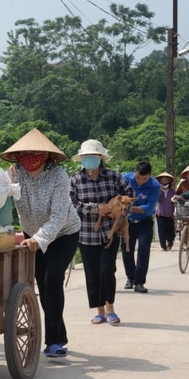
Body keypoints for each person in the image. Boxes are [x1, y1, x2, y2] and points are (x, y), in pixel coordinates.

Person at [1, 128, 81, 357]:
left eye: (35, 153)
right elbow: (3, 197)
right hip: (30, 233)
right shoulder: (15, 174)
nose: (30, 157)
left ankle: (55, 341)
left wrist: (40, 239)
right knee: (43, 287)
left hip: (63, 233)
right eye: (25, 153)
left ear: (47, 155)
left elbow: (59, 216)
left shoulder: (59, 176)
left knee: (53, 278)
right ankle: (56, 333)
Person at [69, 139, 134, 325]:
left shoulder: (114, 177)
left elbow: (129, 196)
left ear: (100, 158)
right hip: (86, 234)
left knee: (107, 270)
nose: (89, 160)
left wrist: (121, 212)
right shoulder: (74, 180)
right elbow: (71, 204)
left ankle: (110, 308)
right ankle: (99, 311)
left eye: (92, 156)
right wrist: (94, 208)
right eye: (85, 157)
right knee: (92, 273)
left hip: (110, 232)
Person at [120, 161, 160, 293]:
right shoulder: (125, 178)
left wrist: (129, 207)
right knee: (127, 250)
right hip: (127, 222)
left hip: (145, 222)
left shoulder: (154, 185)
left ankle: (139, 282)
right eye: (138, 177)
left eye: (144, 178)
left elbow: (148, 209)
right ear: (134, 171)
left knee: (143, 250)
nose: (141, 181)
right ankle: (130, 278)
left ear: (150, 176)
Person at [155, 171, 176, 251]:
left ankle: (170, 242)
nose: (164, 182)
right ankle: (163, 246)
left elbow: (174, 202)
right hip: (160, 213)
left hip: (170, 214)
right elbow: (157, 199)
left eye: (166, 181)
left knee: (170, 231)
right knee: (161, 230)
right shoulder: (158, 191)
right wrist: (159, 191)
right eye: (162, 181)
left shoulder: (173, 191)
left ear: (169, 182)